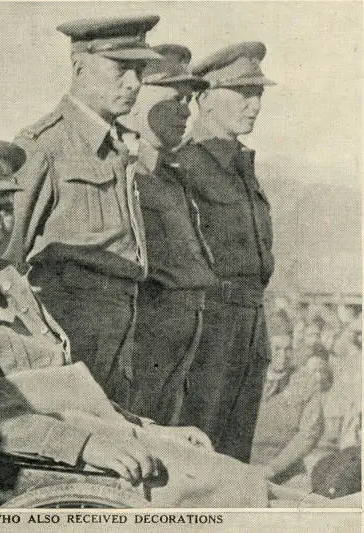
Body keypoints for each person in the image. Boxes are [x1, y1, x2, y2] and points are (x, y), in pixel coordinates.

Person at [0, 139, 311, 508]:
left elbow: (76, 392)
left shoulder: (15, 290)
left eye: (3, 208)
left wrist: (149, 429)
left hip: (73, 449)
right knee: (228, 489)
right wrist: (89, 445)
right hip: (18, 466)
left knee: (241, 480)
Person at [7, 16, 163, 406]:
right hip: (72, 323)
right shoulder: (45, 145)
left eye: (139, 71)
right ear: (79, 67)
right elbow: (5, 260)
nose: (134, 84)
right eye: (121, 69)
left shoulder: (122, 148)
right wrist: (43, 341)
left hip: (123, 323)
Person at [175, 42, 276, 462]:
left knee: (235, 459)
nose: (253, 105)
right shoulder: (184, 165)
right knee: (199, 457)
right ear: (203, 98)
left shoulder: (241, 165)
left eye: (258, 95)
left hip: (250, 327)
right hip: (210, 328)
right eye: (241, 93)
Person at [124, 45, 217, 424]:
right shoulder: (126, 173)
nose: (186, 110)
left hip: (181, 341)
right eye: (174, 97)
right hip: (141, 341)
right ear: (136, 98)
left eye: (190, 100)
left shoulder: (173, 179)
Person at [250, 355, 330, 484]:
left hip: (287, 472)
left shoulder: (306, 382)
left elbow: (310, 433)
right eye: (276, 349)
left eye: (287, 349)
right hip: (244, 467)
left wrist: (273, 468)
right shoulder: (245, 375)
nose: (283, 356)